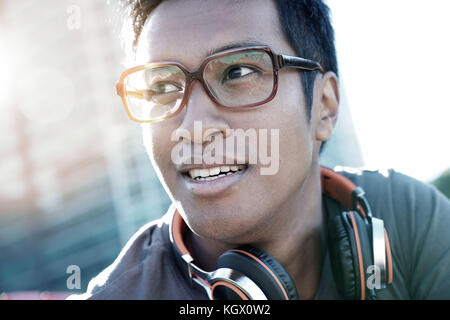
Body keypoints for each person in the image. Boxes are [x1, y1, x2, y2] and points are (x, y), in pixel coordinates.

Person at [71, 0, 450, 300]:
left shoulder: (404, 215)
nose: (193, 128)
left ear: (325, 106)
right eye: (161, 89)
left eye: (237, 72)